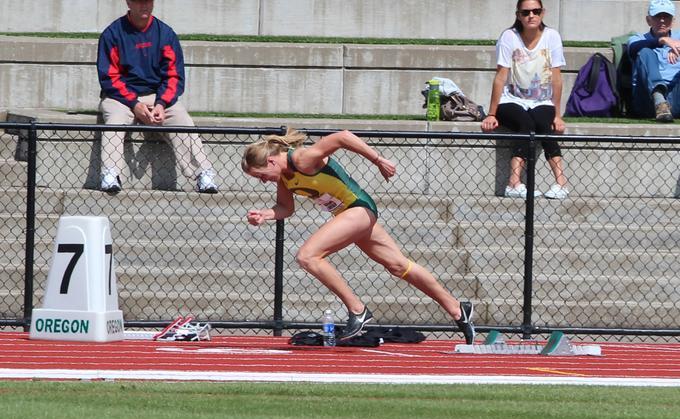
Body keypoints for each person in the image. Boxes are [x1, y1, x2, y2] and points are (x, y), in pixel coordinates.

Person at [241, 128, 475, 344]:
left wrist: (378, 160)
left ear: (271, 161)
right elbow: (285, 208)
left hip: (358, 209)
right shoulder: (285, 178)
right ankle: (457, 309)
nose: (263, 181)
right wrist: (265, 214)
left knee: (308, 256)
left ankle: (357, 310)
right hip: (349, 215)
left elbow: (342, 136)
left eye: (261, 175)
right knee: (398, 265)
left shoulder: (302, 158)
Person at [96, 0, 218, 194]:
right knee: (115, 120)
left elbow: (173, 76)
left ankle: (203, 173)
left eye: (148, 1)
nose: (144, 6)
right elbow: (109, 77)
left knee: (182, 119)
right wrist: (134, 104)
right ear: (128, 2)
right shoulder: (112, 33)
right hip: (120, 97)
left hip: (157, 96)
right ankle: (110, 173)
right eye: (138, 1)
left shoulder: (166, 34)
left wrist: (161, 103)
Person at [481, 0, 569, 200]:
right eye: (526, 12)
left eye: (536, 11)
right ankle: (513, 183)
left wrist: (557, 115)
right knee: (526, 123)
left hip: (542, 101)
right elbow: (501, 76)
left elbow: (556, 78)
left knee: (544, 125)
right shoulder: (509, 37)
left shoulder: (552, 37)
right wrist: (492, 113)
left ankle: (561, 182)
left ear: (542, 13)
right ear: (518, 15)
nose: (531, 15)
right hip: (510, 99)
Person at [628, 0, 680, 122]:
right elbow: (632, 48)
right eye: (657, 16)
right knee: (645, 52)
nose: (662, 20)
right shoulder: (638, 39)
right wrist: (663, 41)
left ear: (672, 21)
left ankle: (663, 104)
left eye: (666, 16)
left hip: (675, 97)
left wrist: (677, 47)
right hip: (647, 101)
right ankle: (658, 98)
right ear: (648, 20)